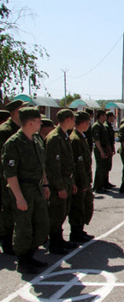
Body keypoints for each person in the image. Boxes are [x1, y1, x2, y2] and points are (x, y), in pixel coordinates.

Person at [2, 107, 50, 273]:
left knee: (41, 225)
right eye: (38, 121)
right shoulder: (14, 143)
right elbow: (10, 174)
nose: (40, 124)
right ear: (30, 122)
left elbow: (42, 164)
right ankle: (23, 261)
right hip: (23, 189)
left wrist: (45, 184)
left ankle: (31, 255)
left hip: (37, 188)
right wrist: (18, 197)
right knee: (24, 227)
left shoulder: (36, 139)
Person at [45, 109, 77, 255]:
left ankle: (60, 240)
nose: (74, 122)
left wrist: (72, 182)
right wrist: (59, 187)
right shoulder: (54, 138)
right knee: (56, 213)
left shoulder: (64, 136)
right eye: (73, 119)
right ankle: (54, 243)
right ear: (68, 119)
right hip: (59, 182)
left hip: (66, 180)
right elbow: (53, 167)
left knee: (62, 212)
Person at [0, 100, 27, 255]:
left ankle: (16, 239)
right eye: (22, 109)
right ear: (16, 112)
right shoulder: (5, 130)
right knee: (8, 209)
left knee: (17, 209)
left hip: (20, 175)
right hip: (6, 177)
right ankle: (6, 240)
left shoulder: (20, 129)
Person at [69, 111, 94, 242]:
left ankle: (80, 230)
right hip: (79, 180)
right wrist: (82, 182)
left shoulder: (80, 137)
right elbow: (76, 164)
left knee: (84, 205)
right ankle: (76, 233)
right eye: (88, 122)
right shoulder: (75, 139)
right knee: (77, 207)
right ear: (84, 123)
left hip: (83, 178)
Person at [91, 110, 110, 193]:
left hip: (104, 148)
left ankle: (102, 185)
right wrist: (101, 151)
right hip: (100, 148)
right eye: (105, 115)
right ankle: (97, 187)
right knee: (100, 168)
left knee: (104, 168)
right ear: (101, 116)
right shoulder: (97, 126)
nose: (106, 117)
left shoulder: (102, 125)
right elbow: (97, 140)